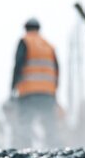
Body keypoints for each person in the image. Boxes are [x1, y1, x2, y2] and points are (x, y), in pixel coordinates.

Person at [11, 18, 60, 148]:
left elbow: (18, 65)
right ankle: (53, 152)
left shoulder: (25, 41)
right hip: (47, 92)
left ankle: (26, 152)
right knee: (49, 124)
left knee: (26, 124)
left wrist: (12, 87)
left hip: (28, 92)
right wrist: (54, 91)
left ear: (26, 28)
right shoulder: (49, 45)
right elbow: (57, 69)